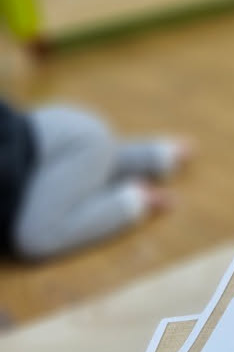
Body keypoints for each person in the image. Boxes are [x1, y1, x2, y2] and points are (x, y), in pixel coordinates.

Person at [0, 98, 187, 262]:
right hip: (58, 135)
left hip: (73, 144)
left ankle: (134, 199)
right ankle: (156, 154)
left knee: (34, 237)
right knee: (72, 172)